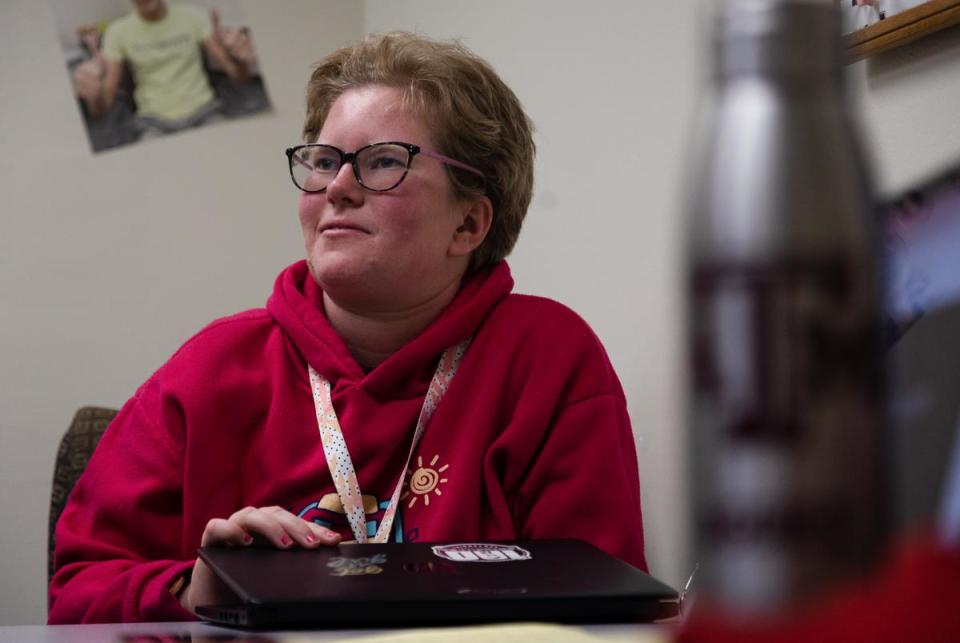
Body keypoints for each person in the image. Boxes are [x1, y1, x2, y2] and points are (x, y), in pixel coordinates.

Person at [48, 32, 647, 623]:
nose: (336, 186)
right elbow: (73, 593)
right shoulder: (212, 366)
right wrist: (196, 589)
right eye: (325, 161)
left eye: (382, 161)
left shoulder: (547, 359)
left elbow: (604, 610)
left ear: (468, 223)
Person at [73, 0, 251, 137]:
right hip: (153, 124)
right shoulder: (118, 32)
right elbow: (103, 106)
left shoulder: (193, 16)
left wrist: (242, 60)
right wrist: (93, 96)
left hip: (205, 113)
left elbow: (238, 76)